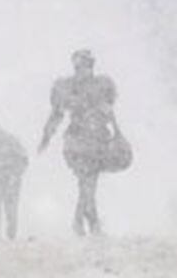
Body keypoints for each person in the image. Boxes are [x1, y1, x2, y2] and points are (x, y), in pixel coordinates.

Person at [38, 49, 118, 236]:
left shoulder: (101, 86)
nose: (82, 70)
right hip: (78, 141)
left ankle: (85, 222)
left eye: (86, 66)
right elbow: (56, 114)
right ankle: (87, 222)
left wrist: (115, 129)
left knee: (88, 182)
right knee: (87, 181)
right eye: (79, 66)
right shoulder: (68, 87)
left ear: (91, 66)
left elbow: (109, 111)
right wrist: (46, 137)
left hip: (96, 141)